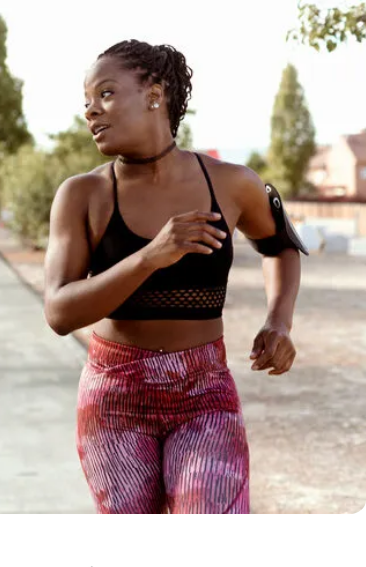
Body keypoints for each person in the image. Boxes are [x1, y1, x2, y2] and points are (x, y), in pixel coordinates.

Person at [43, 39, 306, 514]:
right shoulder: (83, 194)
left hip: (204, 390)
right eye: (86, 102)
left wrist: (279, 321)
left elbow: (281, 247)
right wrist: (150, 256)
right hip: (114, 395)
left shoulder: (231, 183)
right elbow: (59, 312)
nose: (90, 112)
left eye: (105, 94)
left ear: (154, 93)